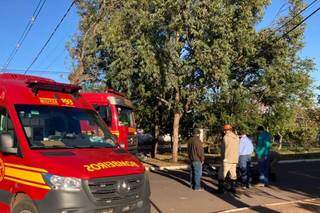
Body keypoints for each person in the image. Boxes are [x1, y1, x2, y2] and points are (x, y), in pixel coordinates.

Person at [218, 124, 239, 194]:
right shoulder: (236, 137)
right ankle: (233, 189)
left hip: (227, 159)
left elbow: (223, 150)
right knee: (233, 174)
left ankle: (221, 189)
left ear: (225, 130)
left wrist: (222, 158)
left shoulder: (225, 137)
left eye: (224, 130)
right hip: (235, 159)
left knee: (222, 174)